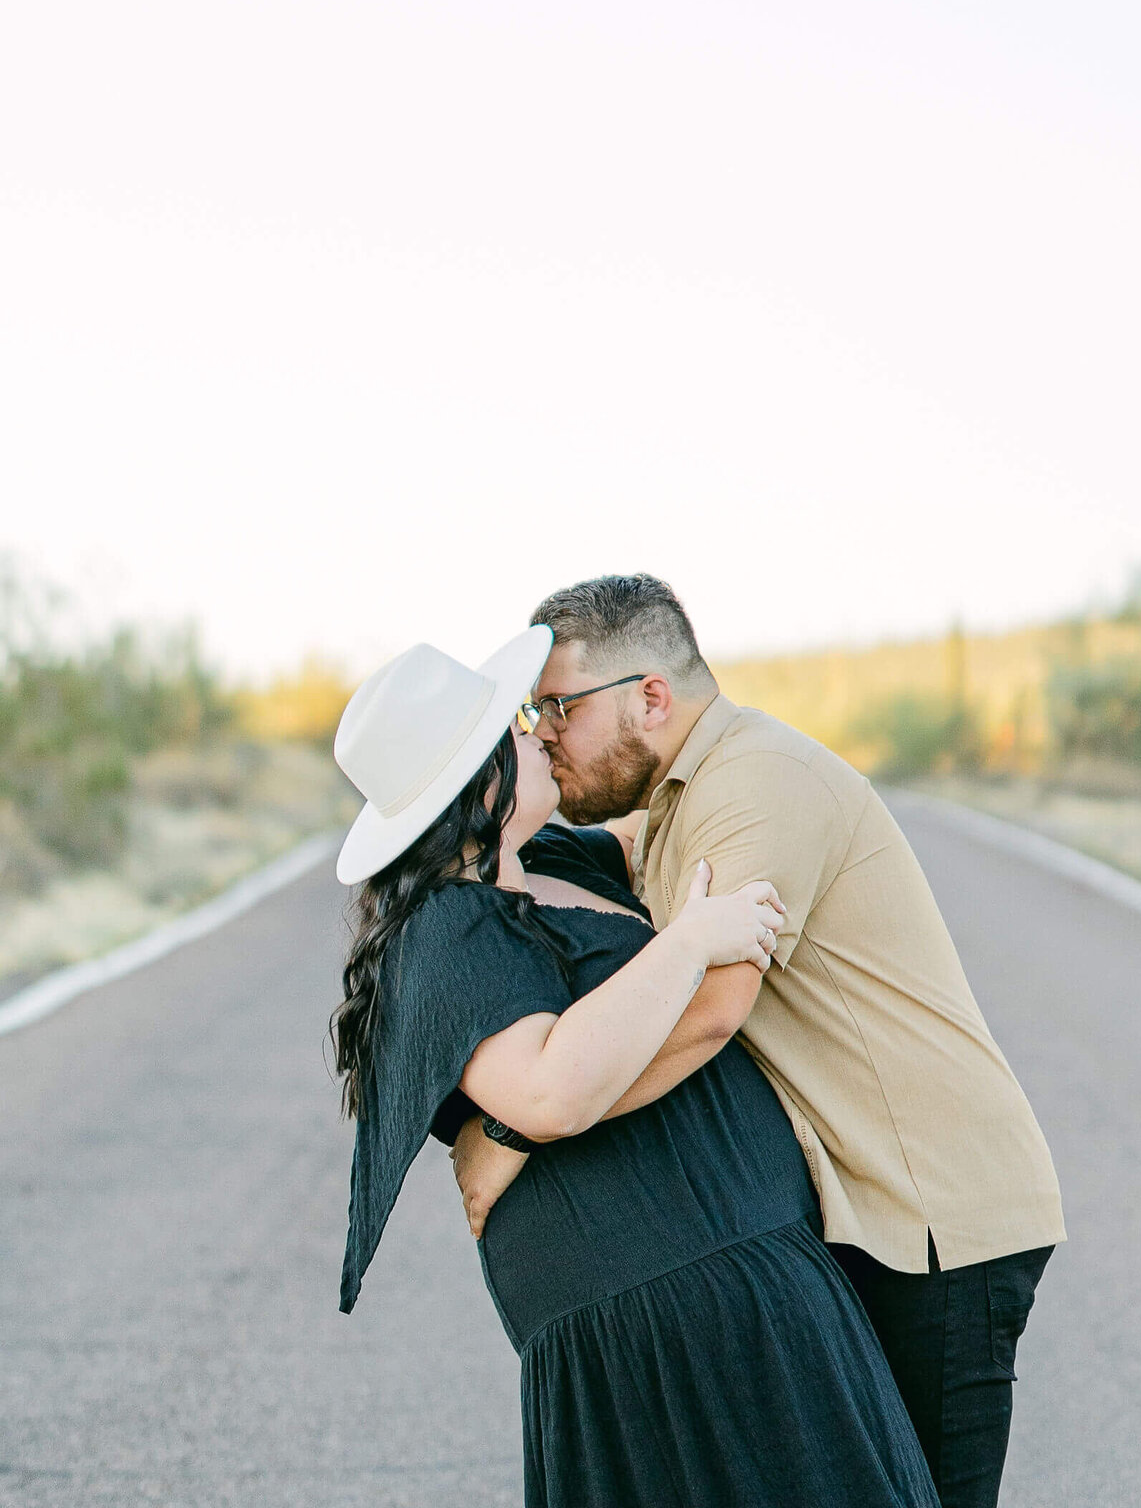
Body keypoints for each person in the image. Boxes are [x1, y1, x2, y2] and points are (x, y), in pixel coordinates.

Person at [452, 576, 1066, 1508]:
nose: (542, 732)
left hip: (931, 1217)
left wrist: (518, 1130)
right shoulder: (679, 800)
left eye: (556, 709)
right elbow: (593, 855)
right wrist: (462, 819)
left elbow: (708, 1009)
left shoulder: (757, 783)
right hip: (850, 1212)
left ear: (649, 697)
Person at [331, 630, 940, 1508]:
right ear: (477, 783)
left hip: (737, 1276)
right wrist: (690, 940)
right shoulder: (445, 932)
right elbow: (548, 1089)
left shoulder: (542, 873)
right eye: (514, 726)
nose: (538, 731)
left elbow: (665, 803)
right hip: (661, 1315)